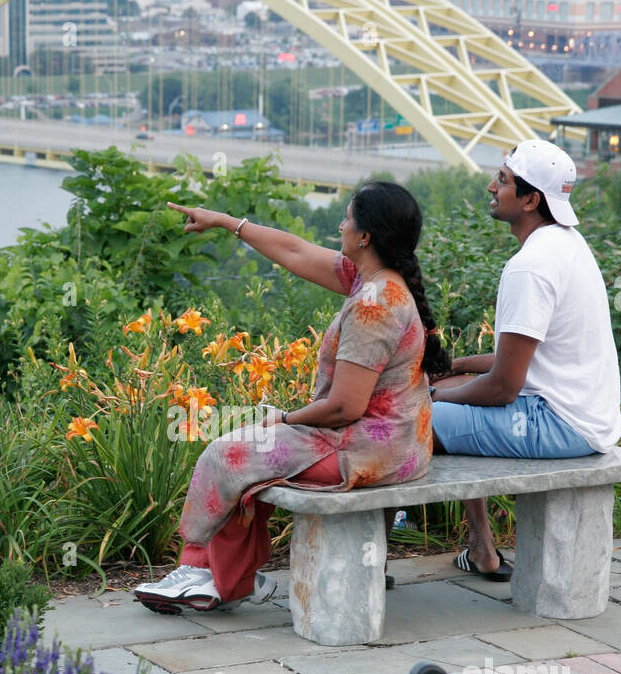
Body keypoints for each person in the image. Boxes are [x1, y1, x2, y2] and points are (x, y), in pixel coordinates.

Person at [133, 180, 452, 613]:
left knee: (226, 454)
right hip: (395, 444)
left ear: (365, 236)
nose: (339, 225)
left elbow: (344, 408)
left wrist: (284, 419)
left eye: (347, 217)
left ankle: (199, 571)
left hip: (365, 449)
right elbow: (296, 252)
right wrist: (224, 221)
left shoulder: (374, 303)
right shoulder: (377, 279)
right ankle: (230, 575)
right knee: (250, 448)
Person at [429, 139, 621, 581]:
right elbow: (519, 360)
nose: (491, 186)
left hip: (558, 422)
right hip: (583, 414)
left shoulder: (529, 267)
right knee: (442, 400)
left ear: (531, 199)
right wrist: (456, 367)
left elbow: (503, 388)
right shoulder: (568, 244)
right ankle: (482, 550)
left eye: (503, 180)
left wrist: (433, 393)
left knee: (409, 415)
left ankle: (374, 554)